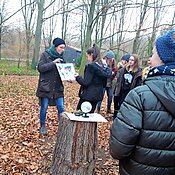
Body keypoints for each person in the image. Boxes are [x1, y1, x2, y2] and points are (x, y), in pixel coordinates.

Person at [109, 30, 175, 175]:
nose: (150, 59)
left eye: (153, 53)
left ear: (164, 58)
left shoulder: (140, 96)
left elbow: (118, 148)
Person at [36, 37, 66, 135]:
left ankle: (62, 127)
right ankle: (42, 125)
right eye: (61, 47)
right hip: (46, 87)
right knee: (44, 107)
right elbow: (40, 68)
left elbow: (64, 72)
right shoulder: (45, 55)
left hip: (58, 87)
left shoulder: (62, 58)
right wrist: (53, 63)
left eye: (64, 48)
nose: (63, 50)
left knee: (61, 107)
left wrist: (68, 77)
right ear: (56, 47)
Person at [75, 44, 112, 113]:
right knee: (90, 115)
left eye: (87, 56)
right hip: (97, 96)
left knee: (80, 114)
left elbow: (86, 82)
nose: (87, 58)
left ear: (91, 54)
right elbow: (104, 84)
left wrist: (77, 77)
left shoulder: (91, 67)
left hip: (87, 95)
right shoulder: (104, 67)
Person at [113, 54, 142, 119]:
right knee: (118, 105)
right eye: (130, 60)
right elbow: (119, 80)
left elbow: (138, 84)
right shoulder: (124, 69)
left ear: (135, 61)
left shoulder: (138, 72)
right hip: (121, 90)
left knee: (126, 107)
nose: (130, 61)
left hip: (129, 92)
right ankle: (117, 117)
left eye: (132, 60)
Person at [113, 53, 130, 117]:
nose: (122, 61)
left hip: (123, 90)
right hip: (117, 88)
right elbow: (115, 78)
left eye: (123, 60)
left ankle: (118, 116)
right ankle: (115, 115)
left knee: (121, 104)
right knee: (115, 102)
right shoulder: (119, 68)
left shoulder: (127, 70)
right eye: (122, 60)